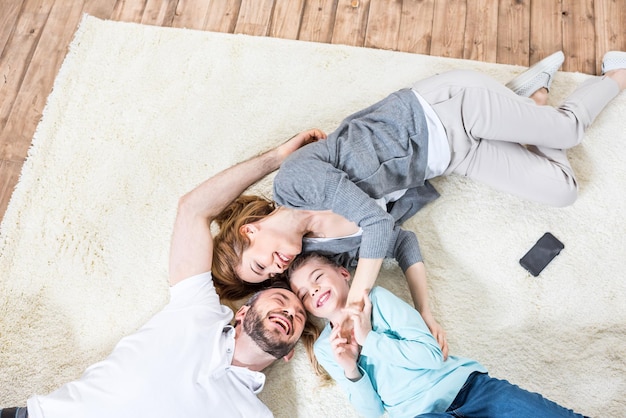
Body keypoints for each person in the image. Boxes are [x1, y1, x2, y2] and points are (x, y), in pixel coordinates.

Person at [211, 50, 626, 348]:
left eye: (260, 263)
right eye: (266, 276)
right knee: (563, 189)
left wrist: (357, 297)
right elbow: (400, 240)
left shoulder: (296, 181)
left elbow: (375, 223)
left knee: (568, 131)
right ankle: (529, 100)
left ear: (251, 230)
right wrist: (425, 311)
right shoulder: (327, 253)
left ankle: (616, 70)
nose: (274, 269)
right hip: (451, 156)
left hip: (443, 110)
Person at [0, 132, 321, 418]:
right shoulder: (197, 311)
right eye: (281, 299)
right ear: (243, 312)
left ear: (289, 351)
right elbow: (193, 209)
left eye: (297, 318)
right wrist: (277, 158)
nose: (289, 312)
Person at [287, 252, 589, 418]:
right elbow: (372, 411)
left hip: (471, 390)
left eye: (318, 278)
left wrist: (370, 340)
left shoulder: (377, 300)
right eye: (303, 293)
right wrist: (351, 368)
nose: (313, 290)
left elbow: (431, 356)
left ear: (343, 274)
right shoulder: (328, 348)